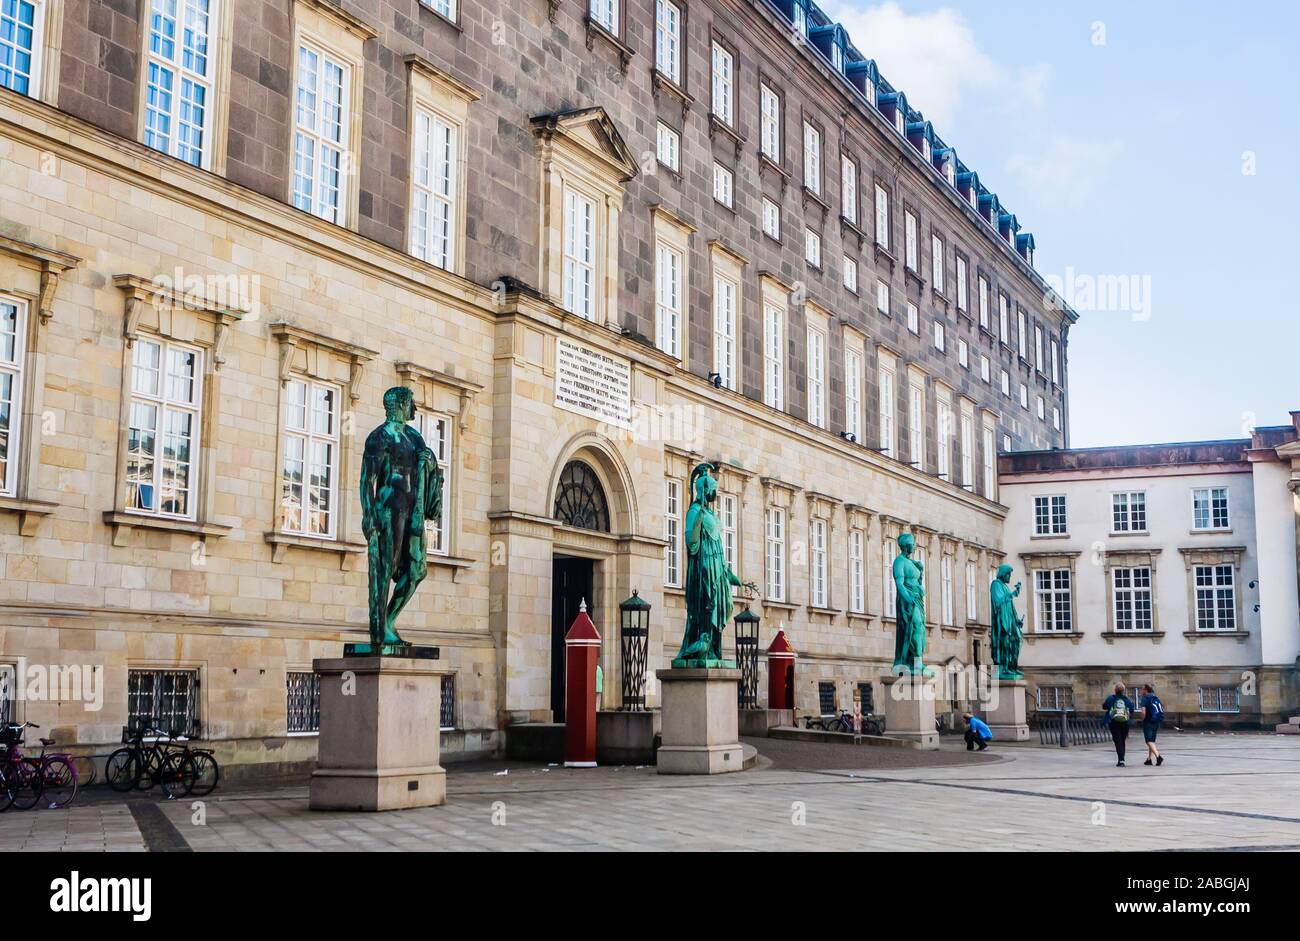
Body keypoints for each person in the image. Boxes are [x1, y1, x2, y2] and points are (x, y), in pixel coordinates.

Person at [1101, 682, 1137, 767]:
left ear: (1115, 690)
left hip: (1114, 722)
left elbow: (1104, 706)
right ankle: (1122, 759)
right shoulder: (1127, 699)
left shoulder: (1111, 698)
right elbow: (1132, 710)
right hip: (1125, 723)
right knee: (1122, 740)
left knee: (1118, 741)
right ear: (1123, 691)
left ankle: (1121, 760)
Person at [1138, 682, 1165, 766]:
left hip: (1148, 721)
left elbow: (1143, 712)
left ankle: (1158, 756)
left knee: (1148, 740)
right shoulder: (1155, 697)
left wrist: (1142, 718)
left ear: (1145, 690)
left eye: (1142, 689)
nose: (1141, 690)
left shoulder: (1144, 698)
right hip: (1156, 721)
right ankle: (1149, 759)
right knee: (1152, 740)